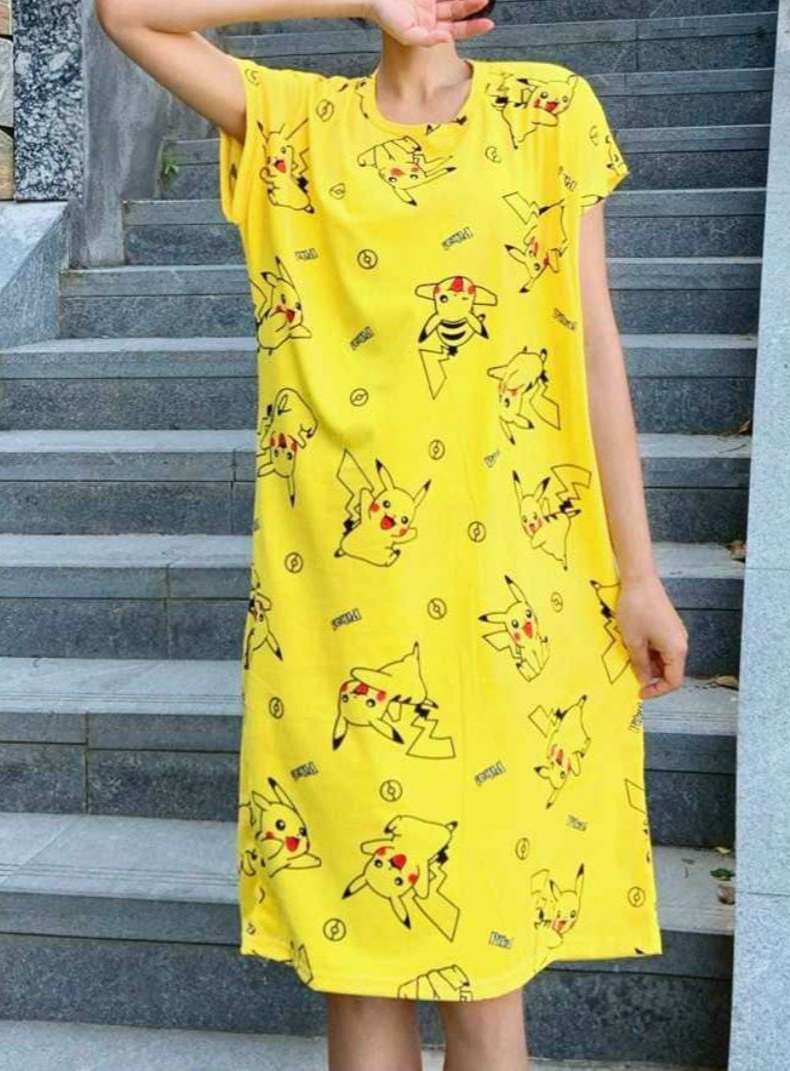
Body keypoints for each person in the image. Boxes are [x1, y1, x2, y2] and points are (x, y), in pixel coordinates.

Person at [96, 1, 689, 1069]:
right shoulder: (295, 119)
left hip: (516, 594)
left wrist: (639, 573)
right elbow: (128, 13)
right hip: (337, 612)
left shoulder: (549, 109)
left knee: (490, 975)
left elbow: (594, 346)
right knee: (358, 968)